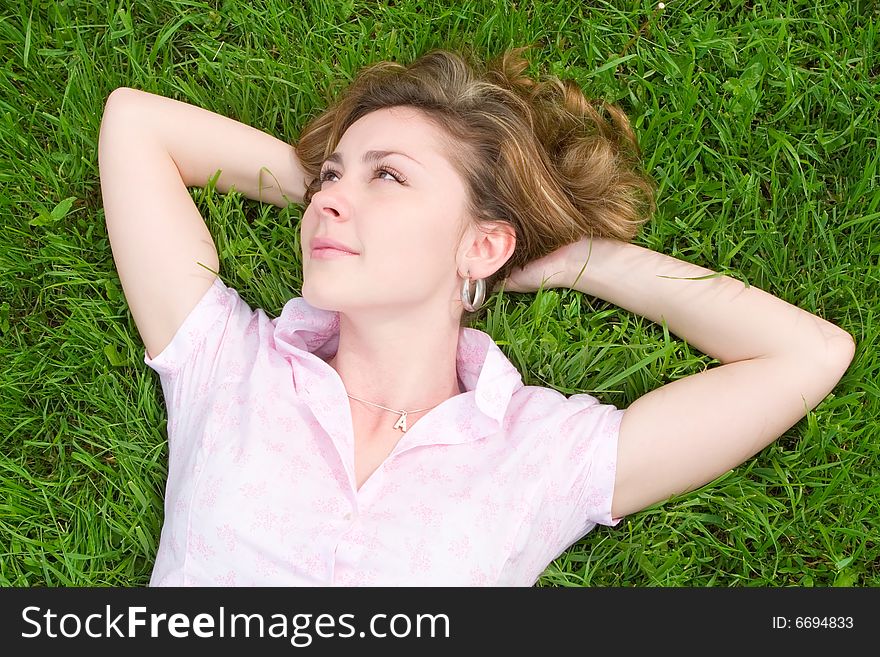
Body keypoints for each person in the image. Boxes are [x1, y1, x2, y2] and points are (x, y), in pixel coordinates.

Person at [97, 48, 855, 586]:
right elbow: (134, 125)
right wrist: (331, 197)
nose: (332, 194)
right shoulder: (229, 365)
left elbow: (807, 354)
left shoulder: (540, 453)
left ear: (485, 242)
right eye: (333, 172)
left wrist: (579, 261)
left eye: (389, 174)